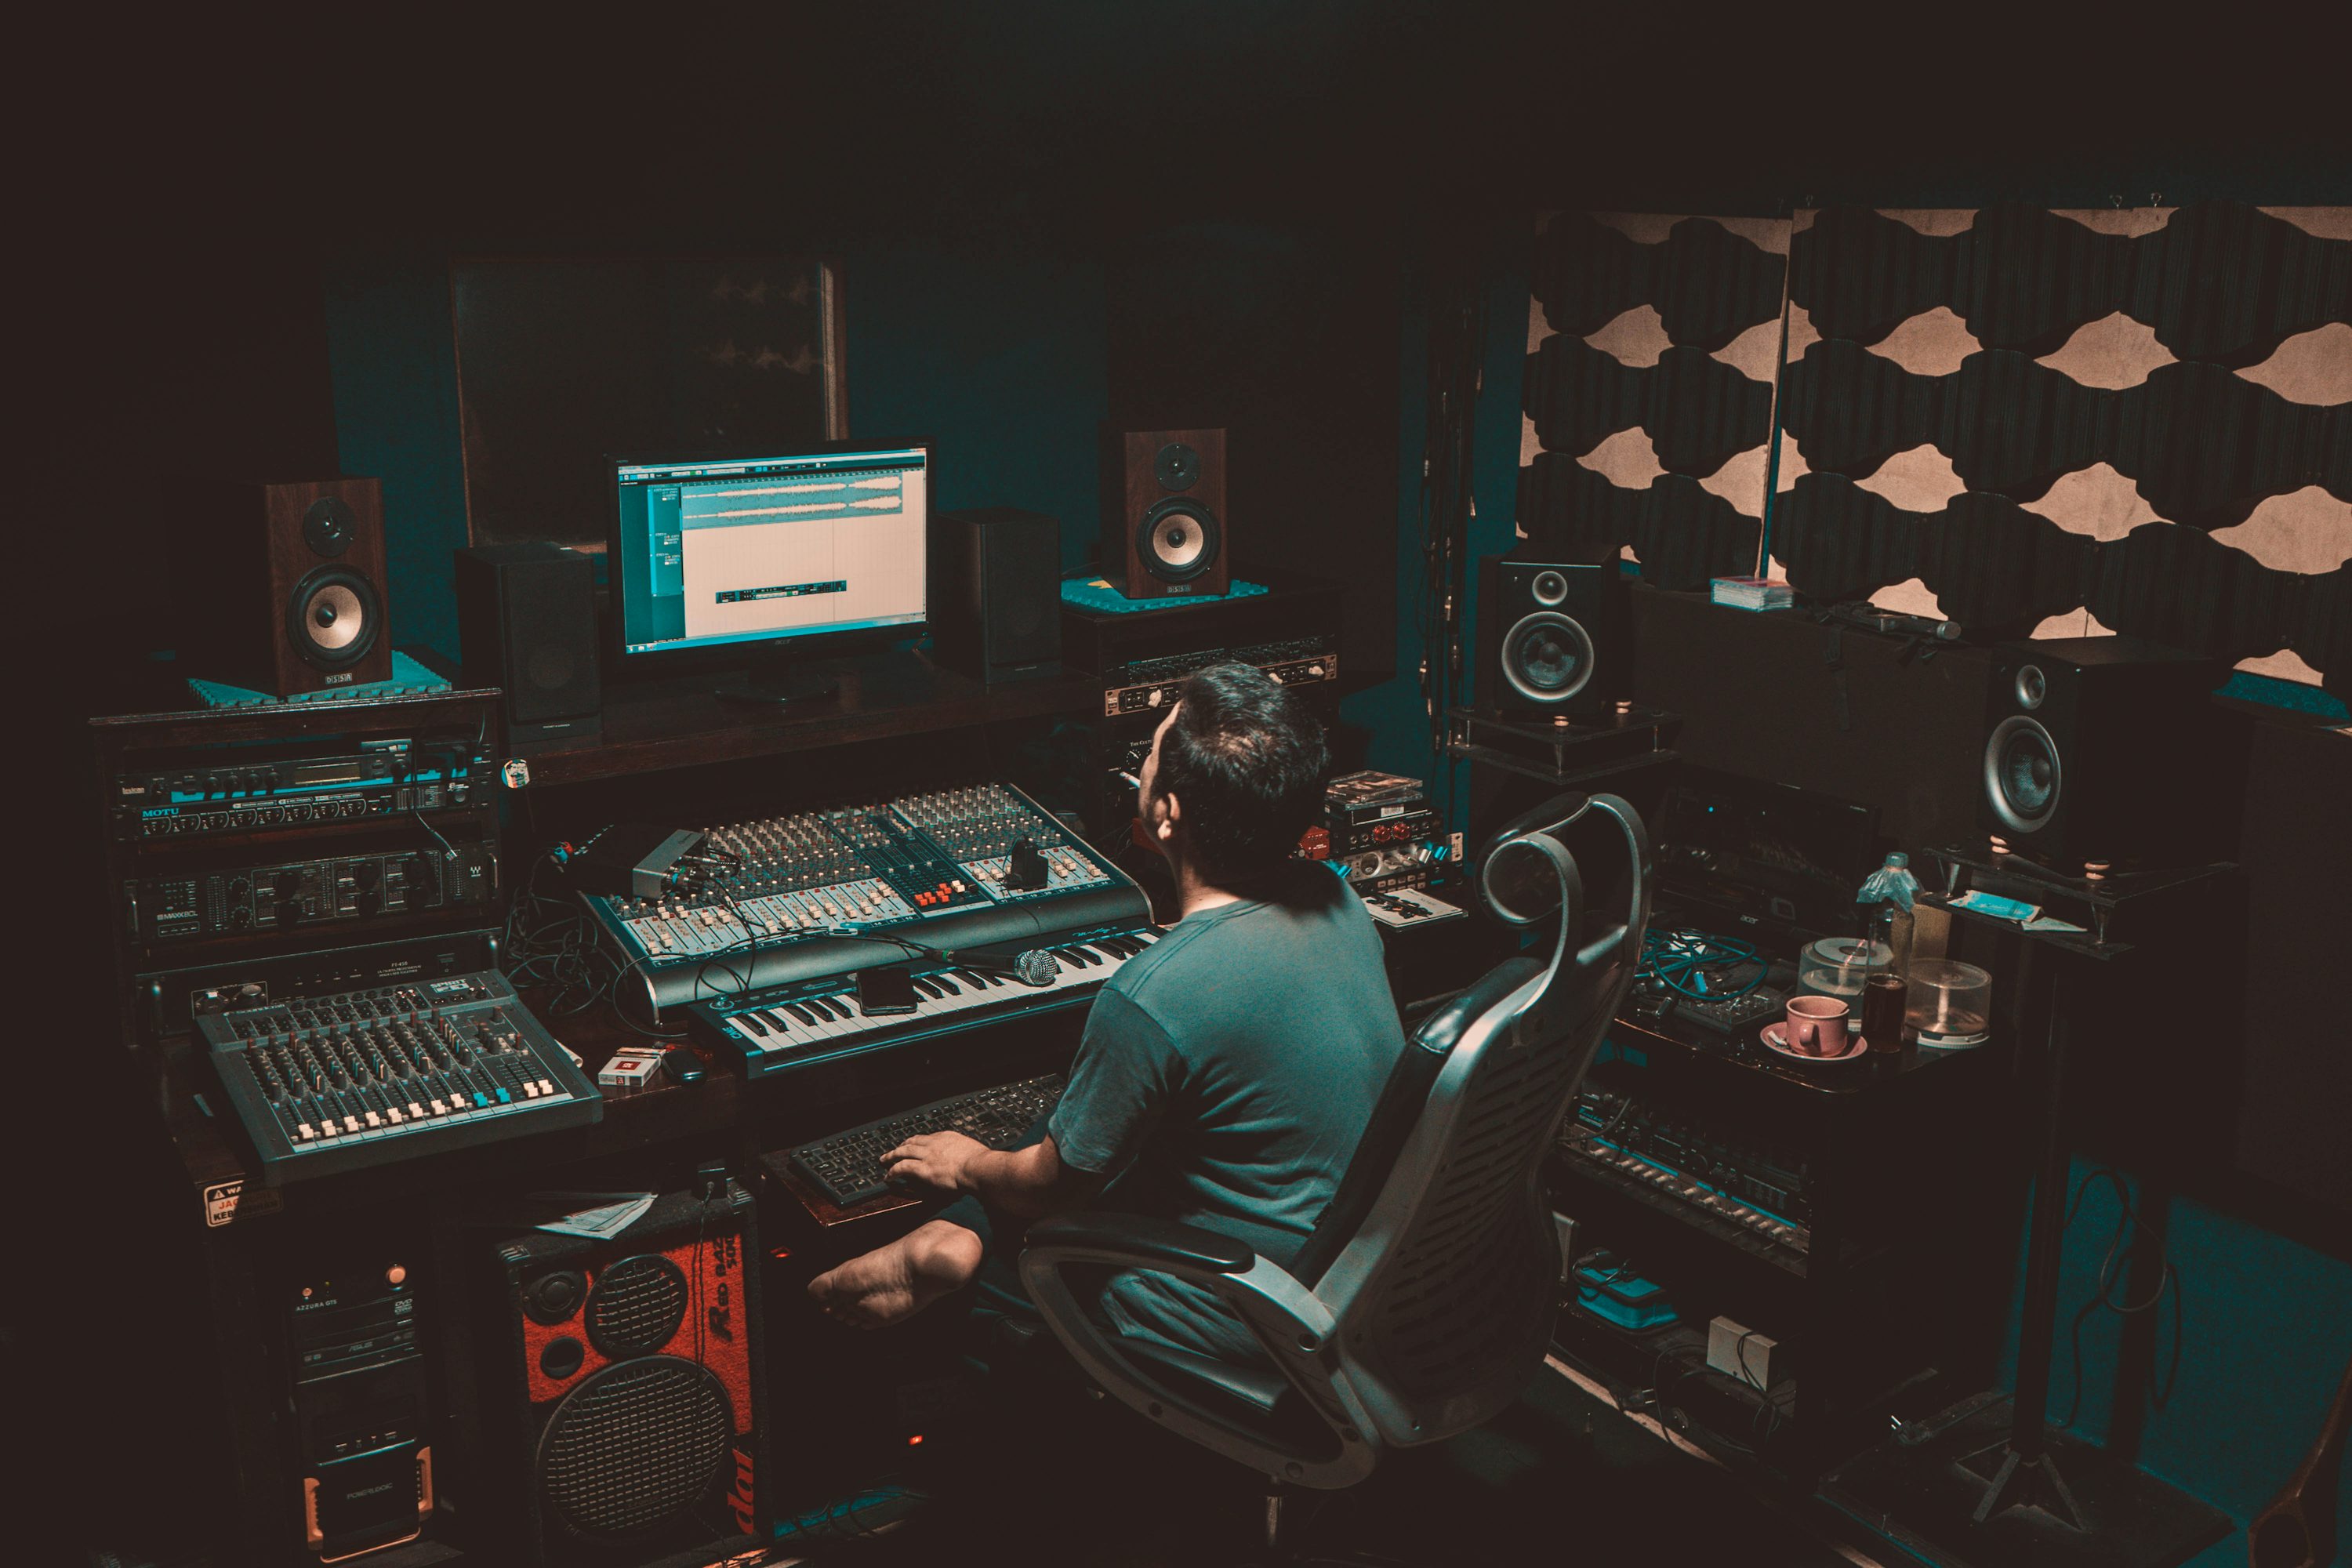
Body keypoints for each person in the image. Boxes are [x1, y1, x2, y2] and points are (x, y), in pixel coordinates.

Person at [806, 661, 1408, 1362]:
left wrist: (968, 1164)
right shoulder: (1339, 899)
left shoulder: (1155, 993)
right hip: (1354, 1264)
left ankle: (961, 1247)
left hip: (1246, 1303)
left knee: (1050, 1181)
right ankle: (954, 1234)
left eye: (1150, 749)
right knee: (1094, 1107)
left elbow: (1050, 1191)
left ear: (1167, 812)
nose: (1141, 761)